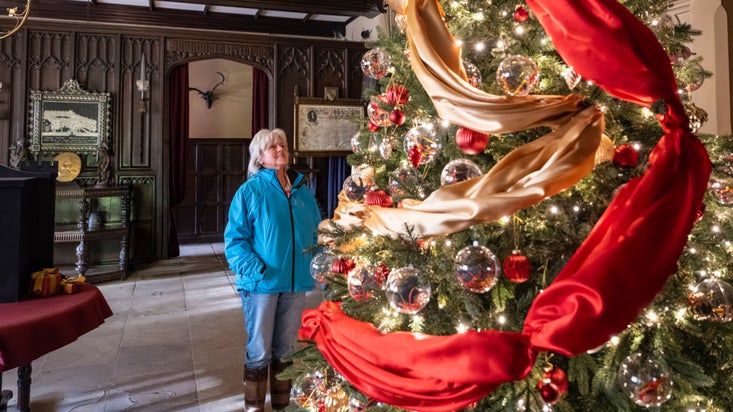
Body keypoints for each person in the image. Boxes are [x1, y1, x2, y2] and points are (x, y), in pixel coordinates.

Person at [224, 128, 322, 412]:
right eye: (272, 147)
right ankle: (254, 409)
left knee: (286, 351)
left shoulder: (303, 192)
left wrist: (320, 264)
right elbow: (235, 240)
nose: (280, 149)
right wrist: (256, 269)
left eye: (283, 145)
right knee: (259, 352)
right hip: (262, 284)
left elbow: (316, 232)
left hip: (295, 283)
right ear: (260, 158)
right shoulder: (250, 191)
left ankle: (280, 407)